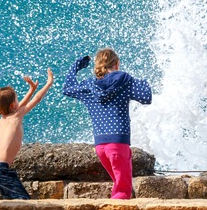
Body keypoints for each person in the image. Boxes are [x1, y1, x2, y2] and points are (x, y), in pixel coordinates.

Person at [62, 48, 152, 199]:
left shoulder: (89, 86)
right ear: (117, 64)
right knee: (123, 191)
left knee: (118, 187)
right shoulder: (124, 81)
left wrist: (76, 66)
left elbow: (67, 88)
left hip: (100, 147)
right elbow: (146, 97)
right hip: (118, 143)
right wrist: (140, 80)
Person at [0, 68, 54, 200]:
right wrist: (49, 83)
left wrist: (32, 89)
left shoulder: (3, 120)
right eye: (16, 98)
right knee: (24, 201)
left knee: (12, 201)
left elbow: (19, 106)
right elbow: (37, 99)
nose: (18, 101)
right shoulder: (15, 117)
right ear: (12, 105)